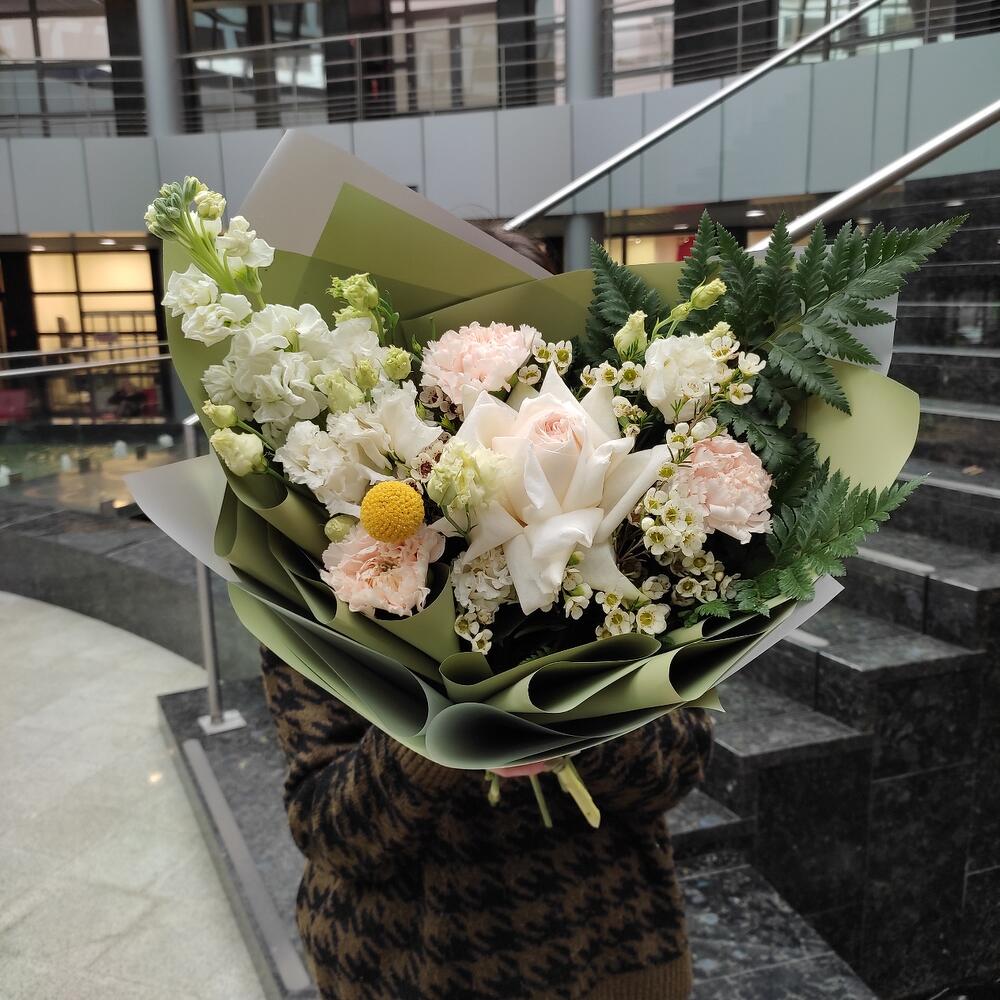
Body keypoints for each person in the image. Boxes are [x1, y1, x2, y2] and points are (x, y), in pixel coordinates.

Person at [260, 226, 713, 1000]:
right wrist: (442, 730)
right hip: (402, 963)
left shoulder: (640, 527)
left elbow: (679, 766)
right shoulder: (338, 563)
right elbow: (328, 830)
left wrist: (571, 717)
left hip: (605, 949)